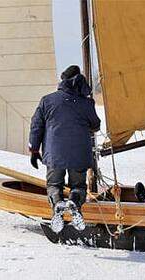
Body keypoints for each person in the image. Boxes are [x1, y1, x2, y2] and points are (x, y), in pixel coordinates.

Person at [29, 65, 101, 233]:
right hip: (79, 154)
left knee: (54, 184)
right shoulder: (86, 102)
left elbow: (36, 126)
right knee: (78, 186)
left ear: (63, 80)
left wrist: (34, 150)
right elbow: (96, 125)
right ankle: (74, 203)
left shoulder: (47, 100)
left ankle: (58, 204)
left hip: (54, 154)